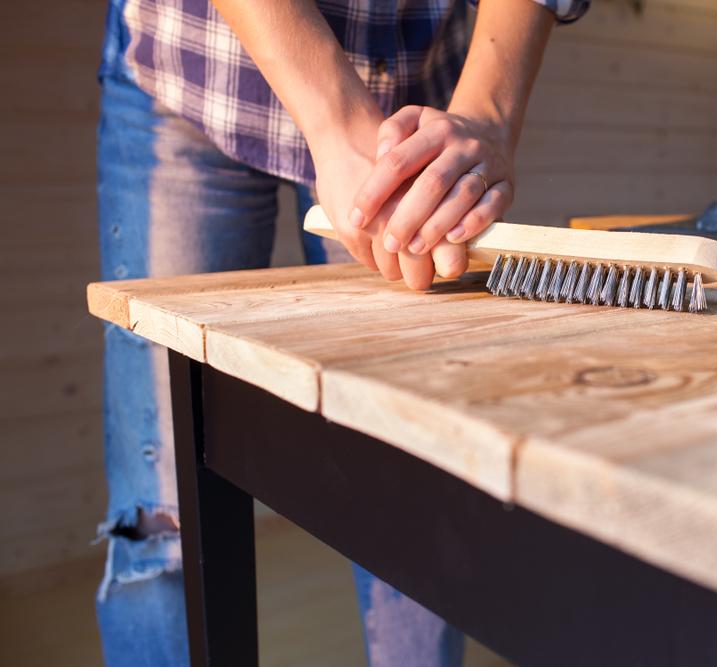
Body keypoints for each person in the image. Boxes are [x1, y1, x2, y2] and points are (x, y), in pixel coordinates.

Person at [94, 0, 589, 664]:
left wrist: (487, 115)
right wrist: (331, 115)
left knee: (414, 511)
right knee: (168, 519)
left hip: (410, 112)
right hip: (192, 68)